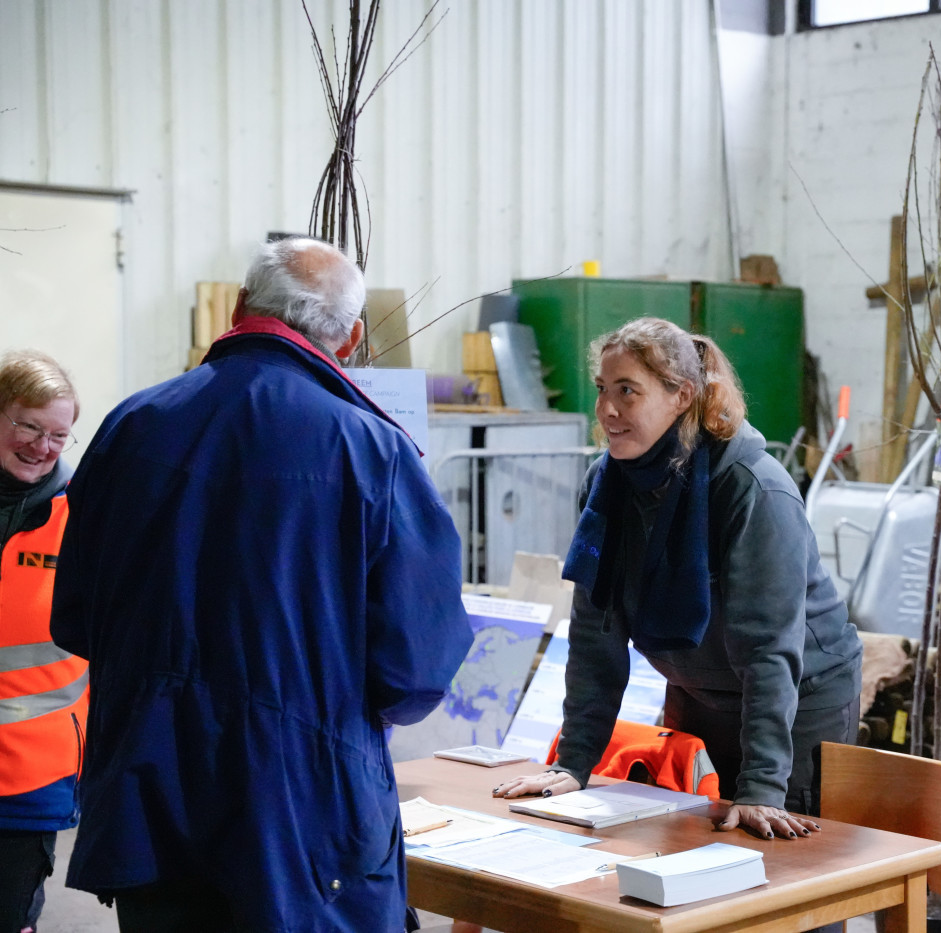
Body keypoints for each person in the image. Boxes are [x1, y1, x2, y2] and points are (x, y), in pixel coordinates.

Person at [50, 237, 474, 933]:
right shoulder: (372, 448)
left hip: (147, 789)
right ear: (351, 338)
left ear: (241, 307)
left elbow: (74, 617)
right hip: (304, 809)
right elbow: (415, 671)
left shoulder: (132, 425)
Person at [494, 317, 863, 841]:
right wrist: (573, 763)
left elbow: (769, 650)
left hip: (799, 697)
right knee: (692, 841)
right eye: (602, 388)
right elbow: (596, 636)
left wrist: (762, 787)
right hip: (697, 688)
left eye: (627, 391)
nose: (607, 409)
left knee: (780, 854)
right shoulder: (606, 486)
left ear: (681, 396)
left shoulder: (752, 490)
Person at [0, 351, 83, 933]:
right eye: (28, 426)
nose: (41, 446)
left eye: (57, 434)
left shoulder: (84, 515)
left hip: (32, 771)